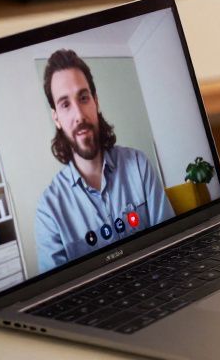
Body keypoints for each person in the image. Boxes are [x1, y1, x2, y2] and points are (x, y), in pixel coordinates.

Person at [35, 49, 174, 272]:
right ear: (57, 118)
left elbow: (170, 245)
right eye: (65, 104)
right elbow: (57, 294)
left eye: (83, 98)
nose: (79, 115)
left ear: (95, 102)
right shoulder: (48, 210)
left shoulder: (138, 165)